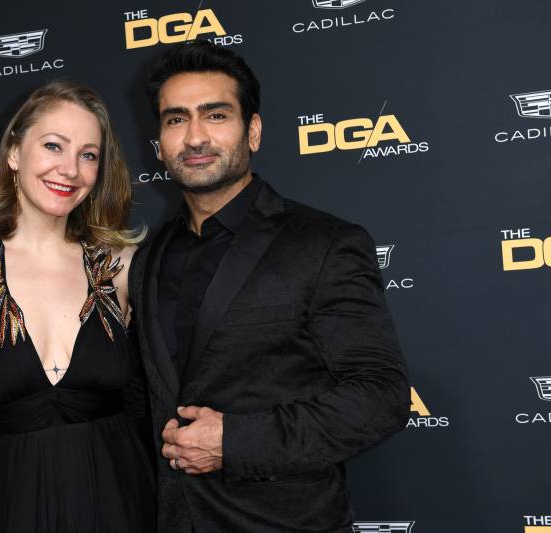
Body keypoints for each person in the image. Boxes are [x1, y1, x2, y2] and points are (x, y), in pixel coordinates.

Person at [128, 41, 410, 532]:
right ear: (158, 142)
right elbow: (140, 395)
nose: (195, 137)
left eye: (215, 115)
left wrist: (235, 442)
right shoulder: (148, 255)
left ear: (252, 131)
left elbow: (380, 398)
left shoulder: (325, 243)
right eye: (176, 120)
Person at [0, 81, 155, 533]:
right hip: (6, 504)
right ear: (14, 153)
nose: (70, 169)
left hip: (120, 503)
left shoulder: (121, 268)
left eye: (89, 154)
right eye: (52, 146)